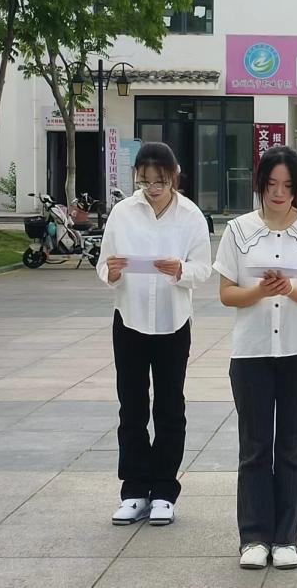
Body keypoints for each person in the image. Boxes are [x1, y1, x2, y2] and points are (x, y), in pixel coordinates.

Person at [214, 146, 297, 572]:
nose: (279, 193)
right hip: (252, 352)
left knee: (292, 446)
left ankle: (286, 538)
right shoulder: (238, 230)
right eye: (271, 185)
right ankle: (253, 537)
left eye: (287, 185)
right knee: (254, 447)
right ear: (260, 184)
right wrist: (259, 292)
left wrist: (290, 289)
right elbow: (227, 293)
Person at [97, 142, 212, 527]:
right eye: (145, 181)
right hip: (129, 318)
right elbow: (104, 265)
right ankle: (133, 489)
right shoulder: (123, 213)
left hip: (173, 320)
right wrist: (112, 272)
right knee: (131, 406)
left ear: (174, 175)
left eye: (160, 181)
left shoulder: (190, 215)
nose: (153, 188)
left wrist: (180, 270)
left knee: (169, 406)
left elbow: (203, 268)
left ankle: (164, 490)